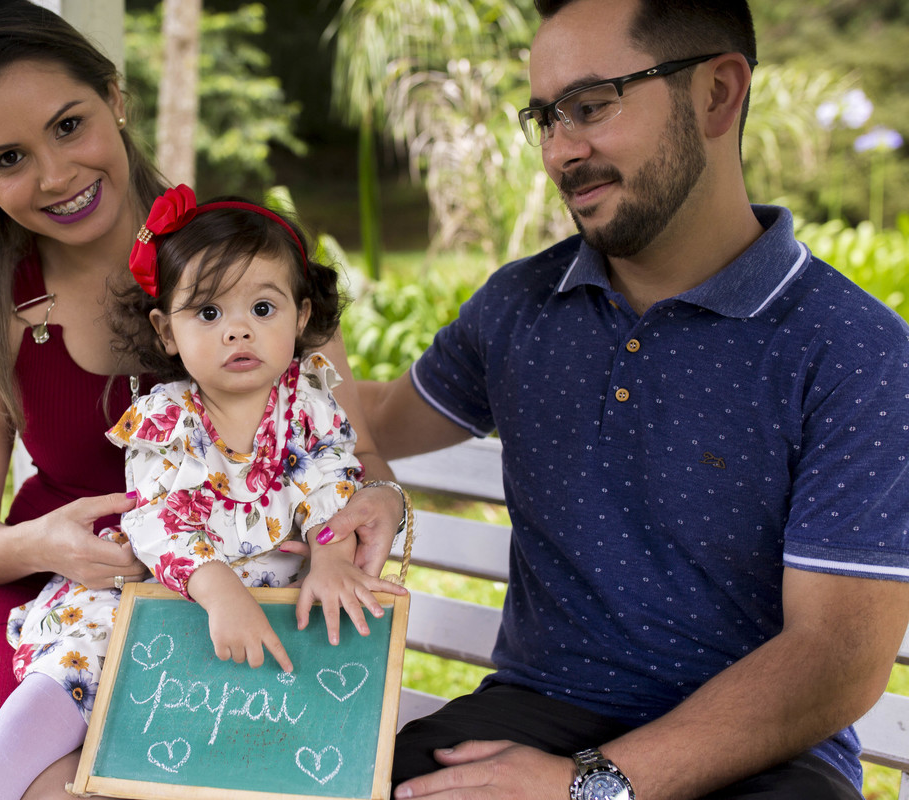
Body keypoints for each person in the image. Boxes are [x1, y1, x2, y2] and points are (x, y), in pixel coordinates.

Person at [362, 1, 909, 798]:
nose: (560, 151)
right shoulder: (523, 305)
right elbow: (372, 419)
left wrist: (591, 786)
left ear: (718, 95)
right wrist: (286, 323)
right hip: (534, 713)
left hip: (766, 758)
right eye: (545, 117)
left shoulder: (853, 349)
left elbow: (835, 660)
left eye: (590, 105)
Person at [0, 2, 403, 797]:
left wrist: (375, 501)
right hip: (47, 604)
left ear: (115, 98)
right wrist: (45, 542)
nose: (54, 175)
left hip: (233, 600)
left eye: (69, 125)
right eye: (8, 157)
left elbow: (349, 455)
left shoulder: (250, 264)